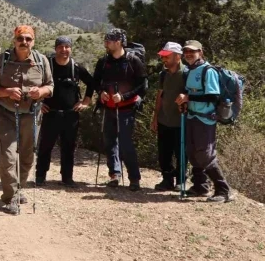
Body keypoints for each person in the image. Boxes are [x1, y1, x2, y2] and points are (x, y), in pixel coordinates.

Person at [0, 25, 53, 214]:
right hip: (6, 113)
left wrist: (41, 91)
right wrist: (5, 92)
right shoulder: (2, 60)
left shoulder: (42, 61)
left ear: (33, 41)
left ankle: (19, 187)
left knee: (27, 156)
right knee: (8, 157)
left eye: (28, 39)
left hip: (32, 115)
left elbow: (50, 85)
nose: (24, 42)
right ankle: (11, 197)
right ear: (14, 40)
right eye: (20, 39)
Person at [175, 41, 233, 203]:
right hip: (192, 115)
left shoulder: (209, 71)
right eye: (186, 51)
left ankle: (224, 190)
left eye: (192, 51)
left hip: (206, 118)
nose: (188, 54)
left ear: (200, 52)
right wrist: (185, 102)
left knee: (206, 154)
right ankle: (201, 186)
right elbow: (188, 91)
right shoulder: (189, 70)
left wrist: (188, 97)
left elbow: (213, 97)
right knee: (192, 151)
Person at [35, 36, 94, 187]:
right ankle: (40, 176)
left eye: (67, 47)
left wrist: (86, 101)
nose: (64, 50)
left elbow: (92, 83)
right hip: (50, 113)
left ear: (71, 49)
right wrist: (38, 103)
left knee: (69, 147)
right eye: (60, 47)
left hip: (70, 115)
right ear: (55, 49)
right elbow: (34, 83)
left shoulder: (76, 67)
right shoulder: (48, 66)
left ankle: (67, 178)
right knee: (45, 146)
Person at [92, 28, 147, 191]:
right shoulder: (103, 62)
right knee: (110, 143)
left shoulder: (134, 61)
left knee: (125, 144)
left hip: (127, 109)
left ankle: (134, 178)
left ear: (118, 42)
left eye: (109, 40)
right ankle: (114, 175)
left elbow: (142, 86)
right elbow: (95, 81)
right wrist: (101, 92)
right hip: (108, 108)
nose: (106, 43)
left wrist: (124, 96)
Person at [151, 42, 187, 191]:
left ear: (178, 57)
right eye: (162, 57)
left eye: (167, 56)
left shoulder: (187, 73)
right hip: (164, 120)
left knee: (181, 153)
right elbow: (160, 96)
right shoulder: (163, 74)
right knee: (164, 154)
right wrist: (155, 117)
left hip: (181, 121)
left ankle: (181, 181)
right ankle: (167, 180)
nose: (163, 60)